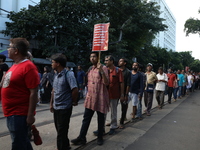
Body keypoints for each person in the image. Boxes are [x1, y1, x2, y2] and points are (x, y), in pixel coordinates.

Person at [1, 38, 40, 150]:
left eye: (9, 47)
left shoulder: (28, 67)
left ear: (16, 51)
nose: (7, 49)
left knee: (18, 143)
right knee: (22, 142)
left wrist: (30, 115)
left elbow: (33, 93)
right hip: (11, 112)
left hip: (19, 113)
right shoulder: (14, 65)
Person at [71, 52, 109, 146]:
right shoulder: (90, 68)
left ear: (98, 58)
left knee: (100, 119)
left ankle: (100, 137)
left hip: (100, 97)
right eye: (91, 56)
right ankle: (82, 137)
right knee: (86, 119)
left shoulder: (103, 68)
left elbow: (107, 82)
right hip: (91, 97)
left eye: (94, 56)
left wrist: (101, 71)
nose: (92, 58)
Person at [50, 53, 78, 150]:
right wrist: (51, 103)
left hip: (65, 107)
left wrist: (73, 101)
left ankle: (61, 148)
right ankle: (66, 146)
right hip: (56, 106)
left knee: (61, 131)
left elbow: (75, 89)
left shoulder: (69, 74)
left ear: (58, 64)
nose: (51, 64)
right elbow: (54, 90)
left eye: (53, 62)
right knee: (60, 129)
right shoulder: (56, 75)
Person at [104, 55, 124, 135]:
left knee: (113, 111)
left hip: (114, 94)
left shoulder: (118, 70)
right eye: (105, 60)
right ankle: (101, 127)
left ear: (112, 61)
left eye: (107, 60)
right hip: (105, 94)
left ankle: (113, 126)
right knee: (103, 111)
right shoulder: (105, 70)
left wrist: (122, 94)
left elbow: (122, 83)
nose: (105, 62)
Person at [118, 58, 131, 129]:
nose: (119, 62)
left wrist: (126, 94)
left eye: (121, 61)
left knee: (124, 107)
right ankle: (112, 121)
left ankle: (122, 122)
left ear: (124, 63)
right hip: (116, 91)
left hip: (124, 92)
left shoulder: (128, 72)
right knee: (114, 107)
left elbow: (128, 84)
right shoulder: (117, 70)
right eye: (119, 61)